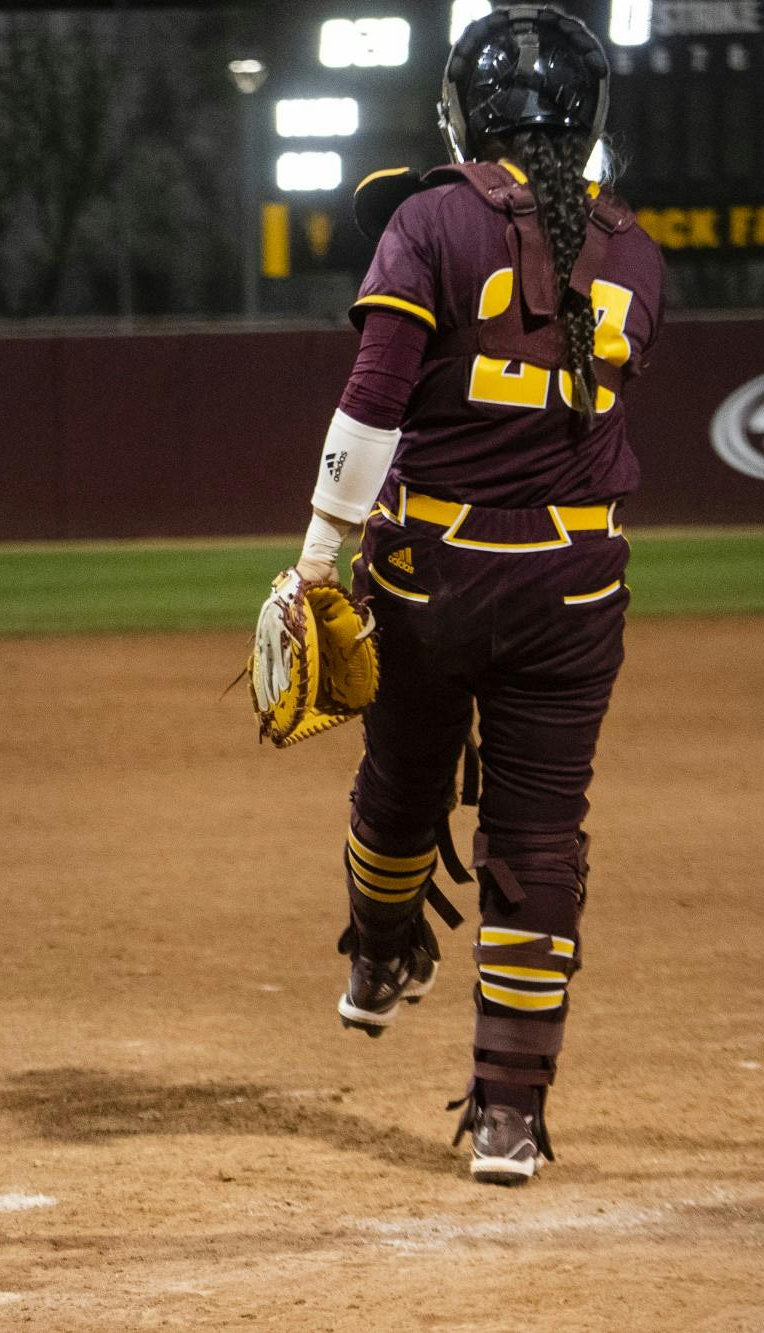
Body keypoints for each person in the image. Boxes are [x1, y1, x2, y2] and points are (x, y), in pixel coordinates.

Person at [280, 5, 663, 1185]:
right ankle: (507, 1115)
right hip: (573, 583)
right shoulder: (637, 251)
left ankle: (379, 949)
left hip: (430, 571)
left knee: (399, 786)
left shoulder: (428, 220)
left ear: (461, 116)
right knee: (538, 839)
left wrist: (315, 559)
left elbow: (370, 403)